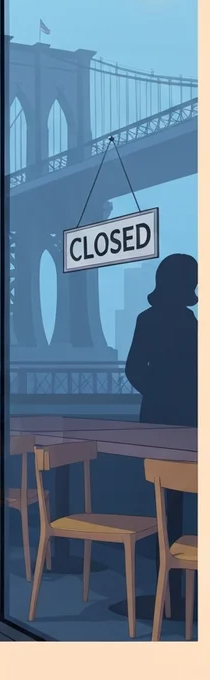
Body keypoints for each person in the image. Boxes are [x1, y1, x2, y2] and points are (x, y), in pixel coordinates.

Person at [125, 252, 198, 617]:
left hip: (158, 421)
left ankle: (168, 590)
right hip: (183, 422)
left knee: (165, 502)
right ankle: (174, 590)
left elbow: (134, 368)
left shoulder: (149, 319)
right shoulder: (189, 322)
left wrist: (157, 393)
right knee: (174, 501)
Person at [125, 253, 198, 428]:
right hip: (170, 409)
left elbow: (134, 369)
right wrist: (162, 394)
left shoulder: (185, 319)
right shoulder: (153, 319)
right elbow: (134, 368)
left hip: (174, 408)